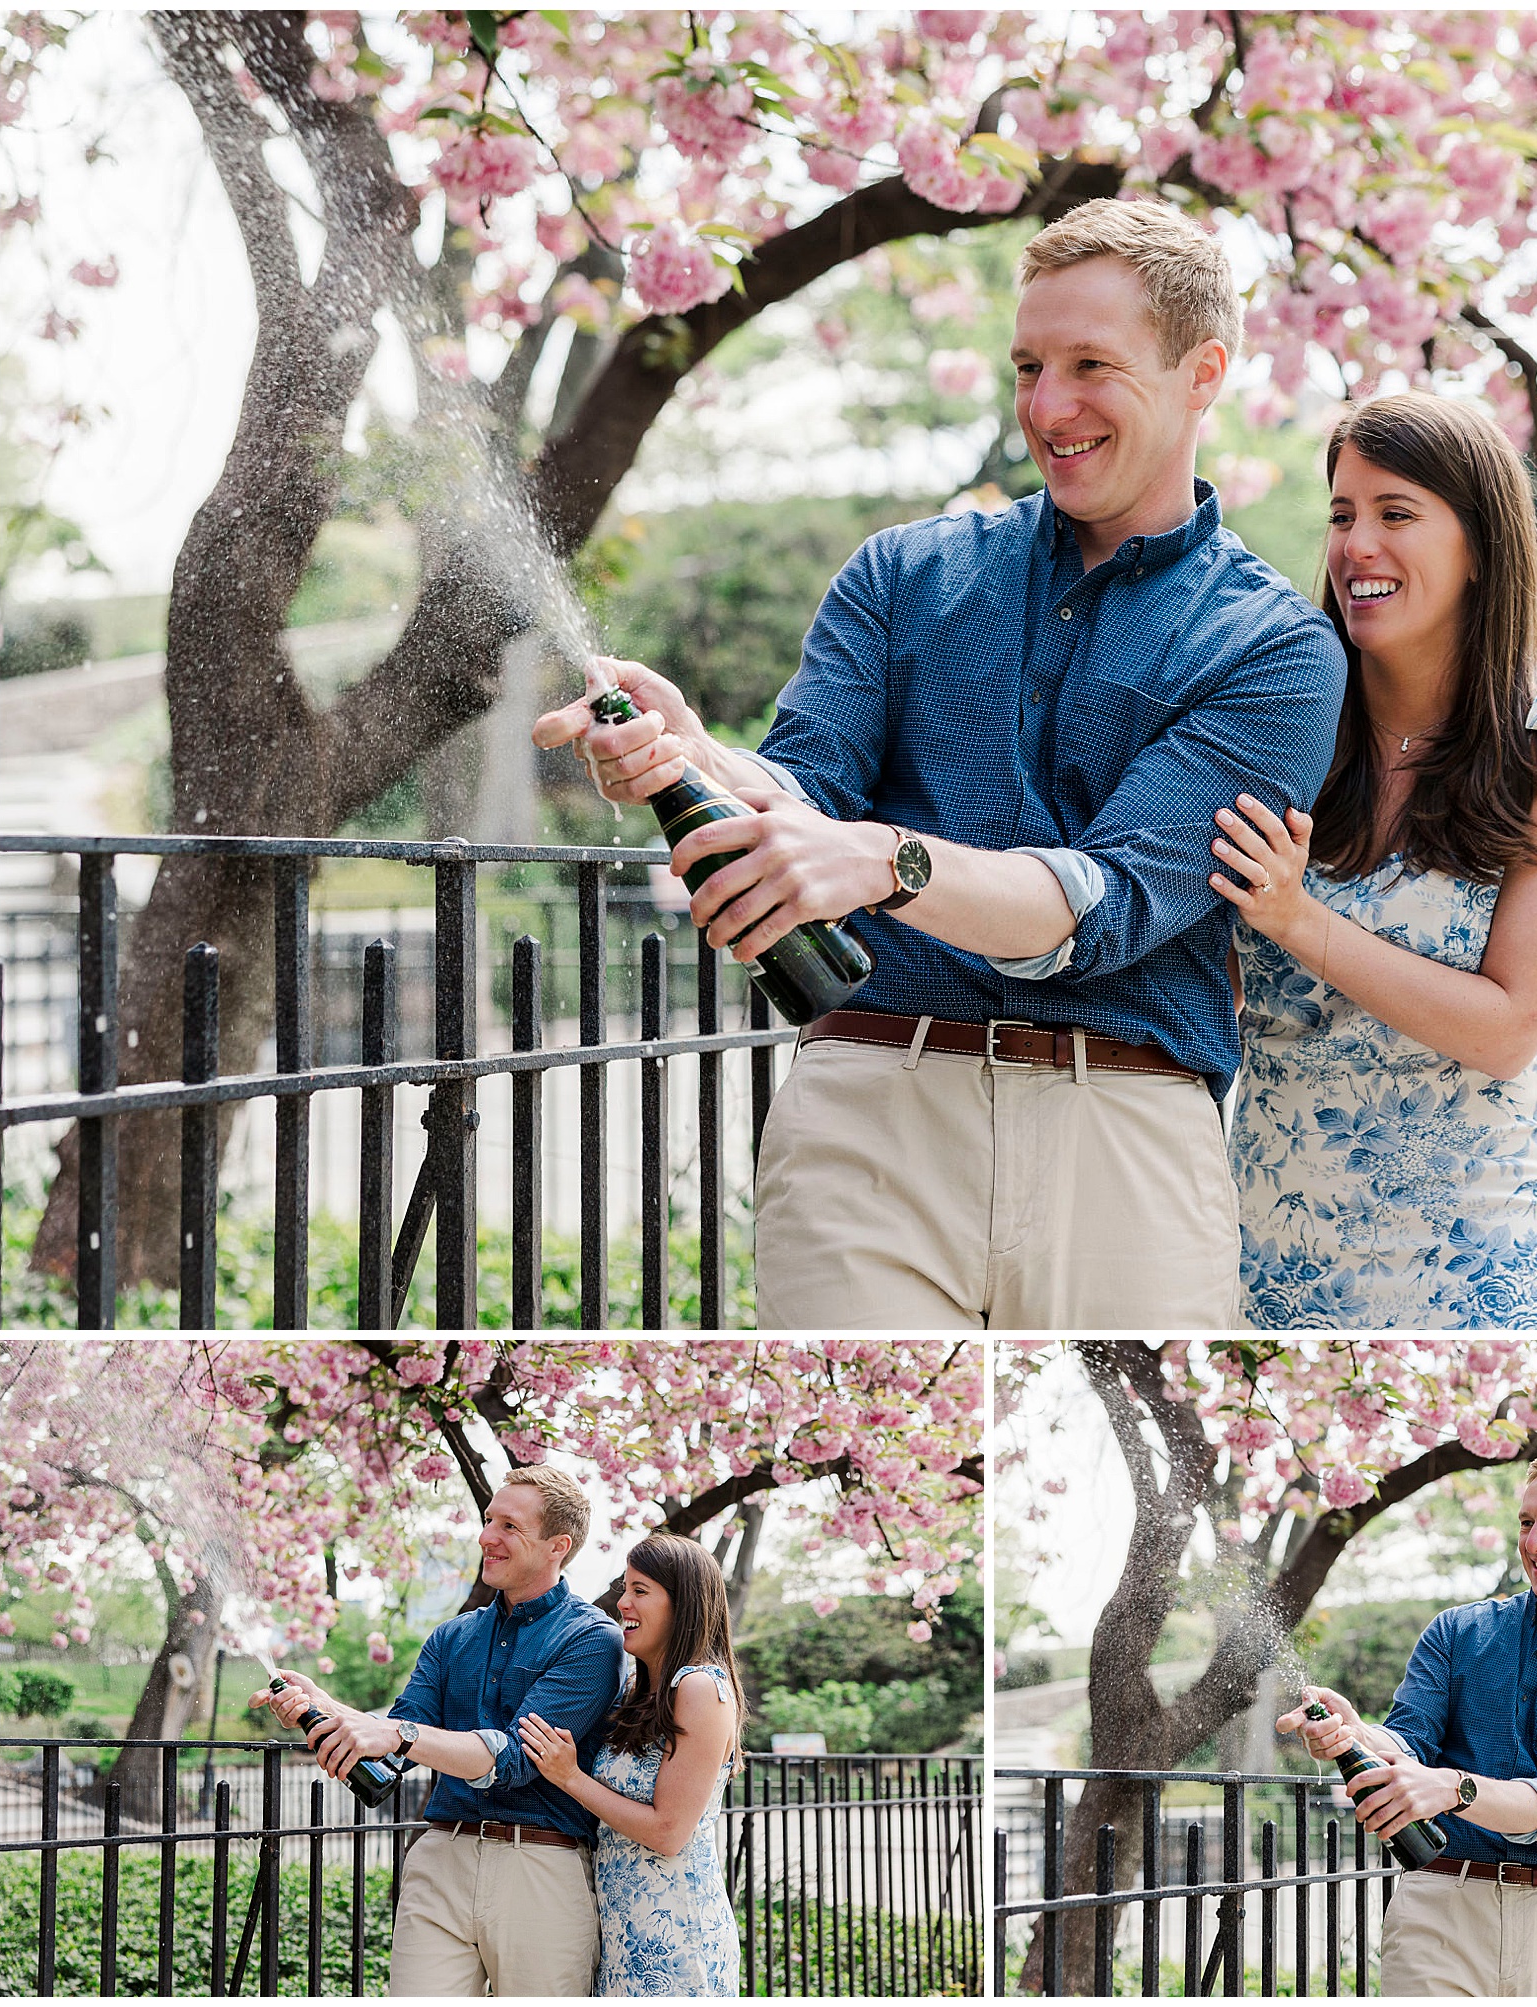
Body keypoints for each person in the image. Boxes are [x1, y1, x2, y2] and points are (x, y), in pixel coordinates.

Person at [532, 198, 1344, 1329]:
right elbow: (806, 789)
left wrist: (887, 864)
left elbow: (1104, 906)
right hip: (867, 1118)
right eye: (1026, 366)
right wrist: (696, 755)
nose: (1046, 408)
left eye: (1089, 366)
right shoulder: (899, 573)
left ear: (1201, 372)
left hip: (1123, 1144)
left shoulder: (1276, 651)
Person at [1211, 390, 1537, 1329]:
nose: (1357, 545)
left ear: (1480, 546)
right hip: (1277, 1236)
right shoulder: (1283, 730)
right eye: (1342, 514)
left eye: (1396, 513)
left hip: (1488, 1250)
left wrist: (1297, 920)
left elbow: (1509, 1028)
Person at [1278, 1444, 1537, 1998]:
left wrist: (1453, 1787)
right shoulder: (1455, 1633)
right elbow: (1409, 1739)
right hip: (1439, 1913)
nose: (1534, 1542)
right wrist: (1358, 1734)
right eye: (1526, 1522)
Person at [253, 1466, 625, 1997]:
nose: (486, 1537)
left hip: (540, 1871)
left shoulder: (591, 1640)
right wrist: (323, 1706)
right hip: (440, 1859)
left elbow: (518, 1758)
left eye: (509, 1526)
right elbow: (399, 1739)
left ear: (556, 1546)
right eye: (487, 1519)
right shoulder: (453, 1636)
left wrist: (398, 1734)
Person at [518, 1534, 744, 1997]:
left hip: (677, 1937)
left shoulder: (700, 1688)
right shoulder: (635, 1693)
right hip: (624, 1932)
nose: (622, 1603)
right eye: (624, 1588)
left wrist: (571, 1777)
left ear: (684, 1604)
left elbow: (668, 1831)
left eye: (640, 1591)